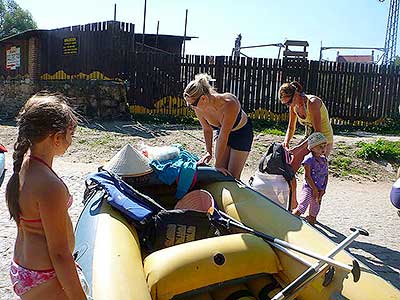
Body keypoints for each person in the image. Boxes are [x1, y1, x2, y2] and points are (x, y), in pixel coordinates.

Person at [6, 92, 87, 299]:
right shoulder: (50, 186)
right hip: (43, 275)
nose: (71, 141)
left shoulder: (24, 166)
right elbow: (60, 255)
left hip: (23, 268)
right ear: (57, 137)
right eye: (71, 133)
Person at [183, 73, 254, 179]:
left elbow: (224, 135)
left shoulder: (229, 103)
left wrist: (217, 165)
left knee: (232, 176)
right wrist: (209, 152)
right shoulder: (199, 108)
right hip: (222, 133)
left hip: (241, 133)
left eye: (192, 104)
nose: (192, 108)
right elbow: (207, 130)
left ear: (203, 98)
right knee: (221, 173)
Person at [279, 81, 334, 172]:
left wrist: (299, 147)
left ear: (296, 94)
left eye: (289, 102)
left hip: (322, 140)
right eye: (286, 104)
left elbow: (318, 133)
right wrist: (286, 142)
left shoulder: (313, 103)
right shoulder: (293, 106)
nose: (289, 105)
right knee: (290, 169)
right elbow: (291, 127)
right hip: (309, 137)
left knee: (314, 173)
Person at [292, 132, 329, 225]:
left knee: (315, 209)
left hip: (320, 188)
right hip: (309, 187)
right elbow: (307, 176)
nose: (323, 149)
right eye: (320, 147)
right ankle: (290, 220)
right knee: (302, 206)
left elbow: (326, 175)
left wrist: (323, 189)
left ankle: (311, 222)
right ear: (312, 148)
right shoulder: (309, 159)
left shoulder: (324, 159)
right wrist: (314, 189)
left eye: (324, 146)